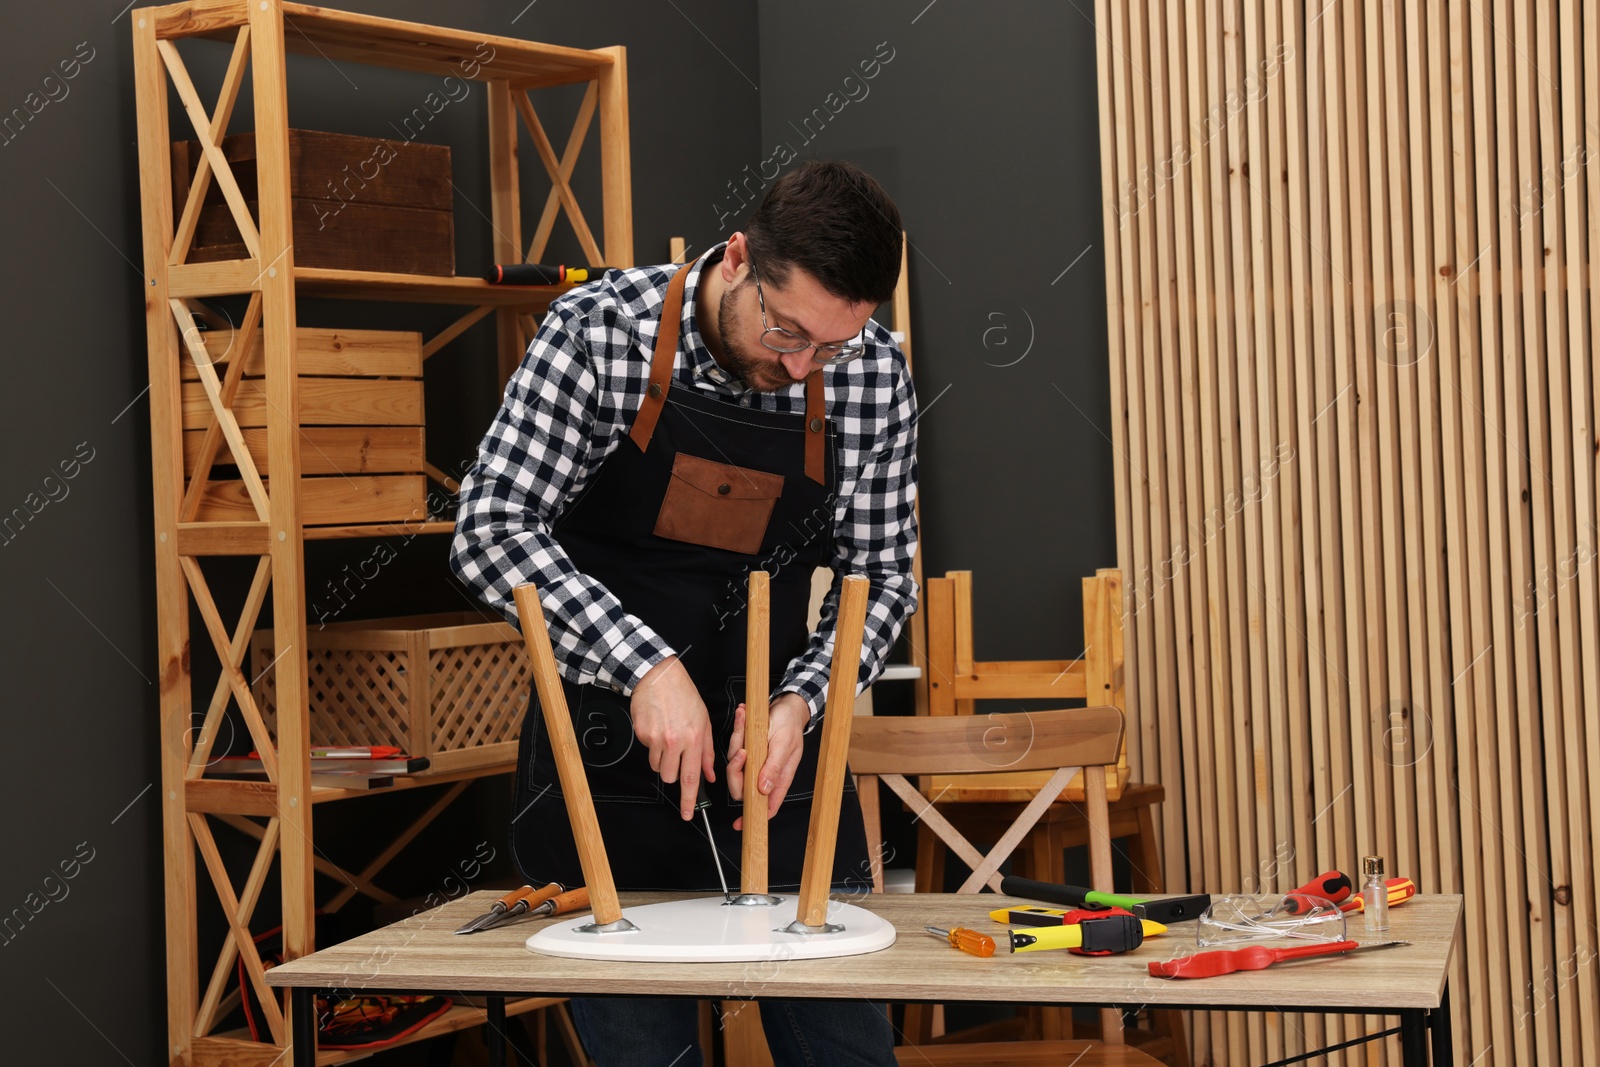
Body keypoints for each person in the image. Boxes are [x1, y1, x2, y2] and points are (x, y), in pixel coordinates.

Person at [451, 160, 918, 1066]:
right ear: (738, 258)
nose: (796, 368)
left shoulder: (872, 376)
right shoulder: (598, 332)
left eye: (829, 347)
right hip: (607, 768)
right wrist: (645, 664)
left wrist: (802, 705)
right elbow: (487, 526)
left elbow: (885, 578)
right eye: (784, 332)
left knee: (848, 1055)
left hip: (776, 783)